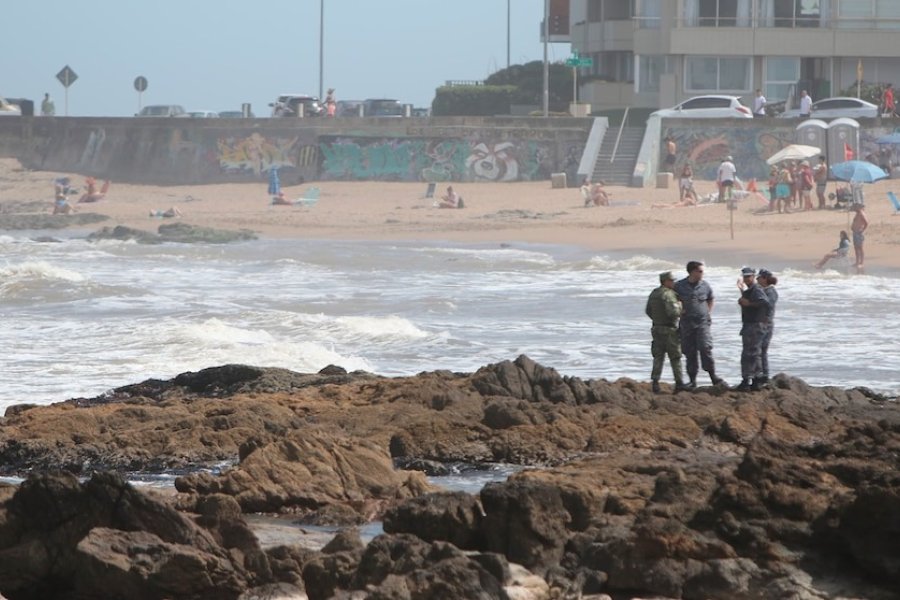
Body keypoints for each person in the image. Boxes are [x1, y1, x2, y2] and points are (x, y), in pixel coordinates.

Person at [674, 261, 726, 390]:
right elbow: (672, 300)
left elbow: (711, 298)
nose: (702, 274)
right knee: (690, 352)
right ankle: (692, 380)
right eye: (700, 271)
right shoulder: (680, 286)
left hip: (702, 323)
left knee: (705, 348)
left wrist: (707, 311)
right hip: (687, 324)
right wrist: (679, 310)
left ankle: (713, 376)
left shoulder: (705, 285)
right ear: (692, 272)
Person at [645, 271, 689, 394]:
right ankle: (679, 383)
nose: (673, 283)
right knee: (675, 357)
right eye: (672, 280)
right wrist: (681, 308)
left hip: (656, 328)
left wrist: (657, 319)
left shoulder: (654, 293)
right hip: (669, 330)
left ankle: (655, 382)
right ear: (666, 281)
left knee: (658, 357)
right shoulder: (668, 294)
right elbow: (673, 312)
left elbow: (648, 310)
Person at [735, 267, 771, 392]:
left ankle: (755, 379)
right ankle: (750, 379)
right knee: (749, 354)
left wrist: (748, 304)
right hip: (750, 325)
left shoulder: (757, 289)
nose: (746, 279)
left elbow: (764, 303)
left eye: (749, 276)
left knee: (753, 353)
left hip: (755, 325)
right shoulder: (750, 290)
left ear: (753, 277)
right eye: (745, 277)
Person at [755, 268, 778, 387]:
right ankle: (762, 375)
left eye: (758, 278)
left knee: (761, 350)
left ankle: (764, 376)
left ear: (764, 279)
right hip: (764, 323)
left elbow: (767, 305)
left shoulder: (770, 292)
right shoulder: (764, 290)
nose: (757, 280)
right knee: (760, 351)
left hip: (766, 324)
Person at [851, 203, 869, 273]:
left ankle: (861, 263)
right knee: (856, 247)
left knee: (860, 247)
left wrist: (863, 229)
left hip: (859, 232)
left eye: (855, 207)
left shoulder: (862, 213)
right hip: (855, 232)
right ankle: (857, 262)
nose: (854, 208)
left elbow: (866, 222)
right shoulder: (857, 213)